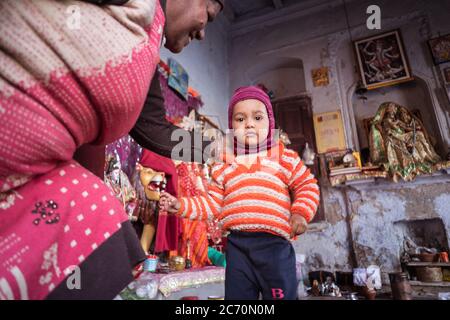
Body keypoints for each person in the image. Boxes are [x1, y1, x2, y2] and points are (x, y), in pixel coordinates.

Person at [0, 0, 224, 300]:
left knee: (108, 243)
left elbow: (155, 131)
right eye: (208, 15)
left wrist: (217, 150)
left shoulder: (146, 49)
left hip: (37, 180)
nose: (203, 34)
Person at [159, 86, 320, 300]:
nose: (249, 124)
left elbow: (307, 185)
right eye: (240, 119)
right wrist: (180, 206)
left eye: (257, 117)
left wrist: (300, 212)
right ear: (232, 126)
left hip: (274, 247)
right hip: (237, 248)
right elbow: (212, 205)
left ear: (270, 123)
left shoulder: (284, 157)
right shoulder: (224, 165)